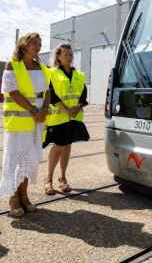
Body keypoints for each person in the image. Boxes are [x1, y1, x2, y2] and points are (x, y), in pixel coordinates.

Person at [0, 32, 50, 218]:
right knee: (15, 159)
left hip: (37, 121)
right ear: (23, 44)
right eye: (33, 43)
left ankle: (24, 195)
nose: (37, 46)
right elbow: (12, 91)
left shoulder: (42, 67)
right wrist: (33, 109)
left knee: (31, 159)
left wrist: (44, 109)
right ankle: (13, 198)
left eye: (39, 43)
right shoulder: (12, 64)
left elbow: (47, 91)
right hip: (19, 120)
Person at [43, 44, 90, 195]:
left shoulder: (79, 75)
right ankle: (48, 180)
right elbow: (51, 93)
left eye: (70, 54)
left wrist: (77, 107)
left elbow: (83, 94)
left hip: (74, 117)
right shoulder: (52, 73)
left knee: (67, 146)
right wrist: (66, 109)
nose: (69, 57)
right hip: (58, 116)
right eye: (65, 55)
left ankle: (62, 178)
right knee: (58, 147)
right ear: (58, 57)